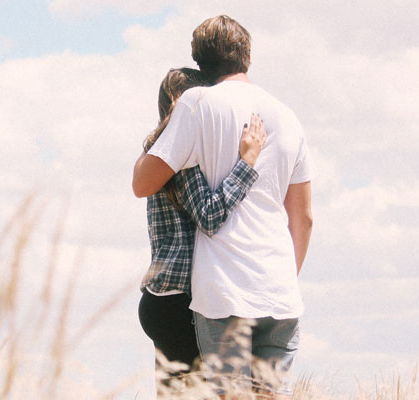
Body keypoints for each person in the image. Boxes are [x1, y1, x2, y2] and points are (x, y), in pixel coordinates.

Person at [131, 15, 314, 398]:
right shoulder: (289, 116)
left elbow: (144, 184)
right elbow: (304, 218)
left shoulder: (197, 104)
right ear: (248, 54)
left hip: (225, 294)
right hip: (279, 293)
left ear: (199, 62)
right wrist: (282, 278)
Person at [137, 66, 269, 397]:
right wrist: (247, 164)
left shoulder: (156, 152)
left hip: (159, 299)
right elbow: (209, 216)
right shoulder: (183, 155)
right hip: (181, 302)